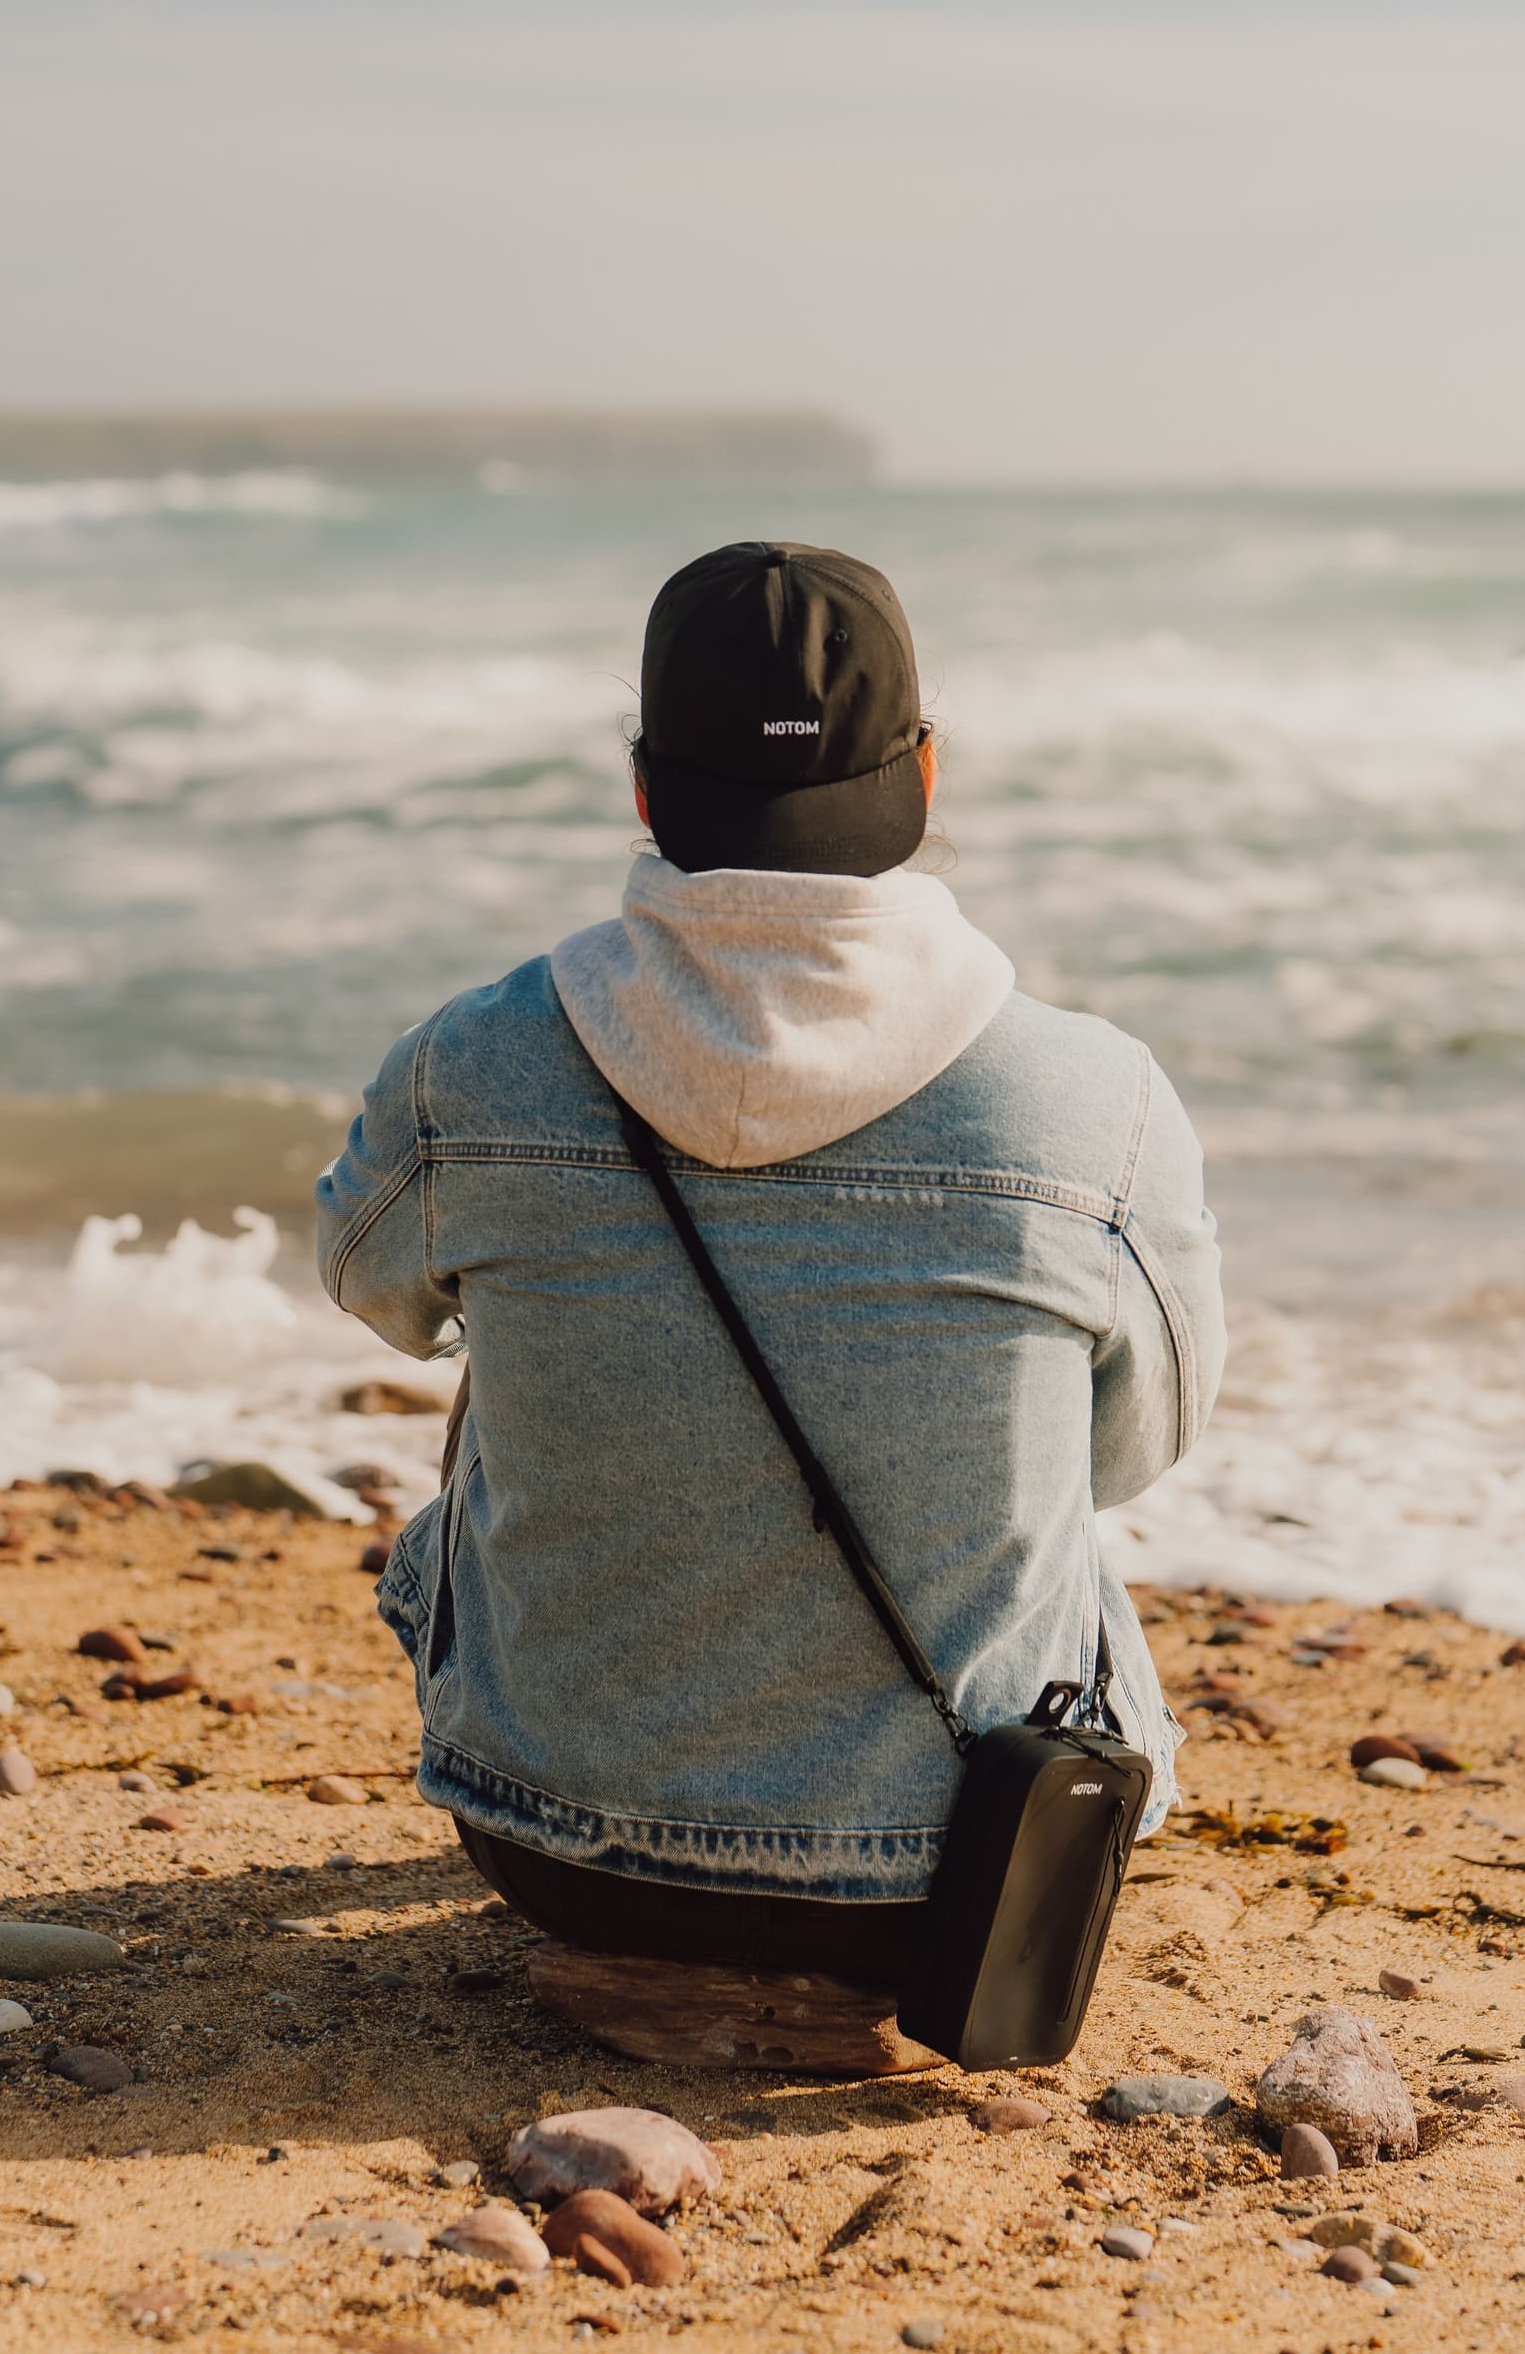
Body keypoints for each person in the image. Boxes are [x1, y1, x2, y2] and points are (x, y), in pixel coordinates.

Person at [313, 540, 1223, 1991]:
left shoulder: (472, 1062)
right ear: (924, 776)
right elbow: (1131, 1451)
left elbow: (378, 1293)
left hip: (557, 1848)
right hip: (963, 1872)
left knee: (493, 1353)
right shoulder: (1094, 1097)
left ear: (644, 787)